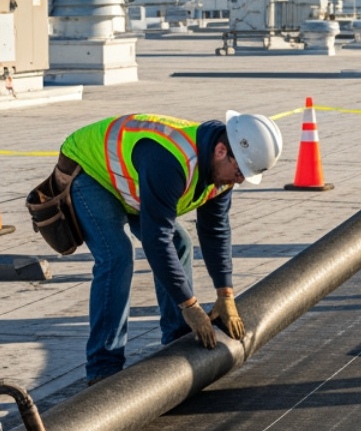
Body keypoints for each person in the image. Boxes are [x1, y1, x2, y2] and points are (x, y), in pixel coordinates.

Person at [58, 111, 283, 383]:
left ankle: (179, 339)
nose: (239, 181)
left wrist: (225, 294)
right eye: (239, 172)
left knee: (180, 243)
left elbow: (215, 231)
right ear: (221, 151)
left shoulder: (221, 173)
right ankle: (103, 368)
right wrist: (189, 305)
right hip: (90, 170)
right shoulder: (171, 160)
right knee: (117, 256)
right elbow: (156, 240)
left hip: (133, 182)